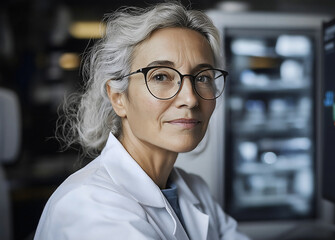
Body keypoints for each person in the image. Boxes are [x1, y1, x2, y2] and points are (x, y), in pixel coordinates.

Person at [34, 2, 249, 240]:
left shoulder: (193, 189)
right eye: (160, 76)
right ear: (118, 98)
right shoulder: (90, 205)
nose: (190, 99)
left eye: (203, 77)